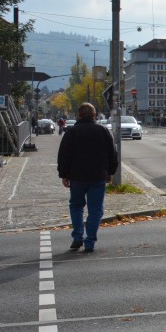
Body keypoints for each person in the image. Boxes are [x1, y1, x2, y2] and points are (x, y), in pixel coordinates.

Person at [57, 102, 119, 253]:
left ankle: (77, 236)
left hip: (77, 177)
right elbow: (113, 155)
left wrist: (64, 174)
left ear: (79, 115)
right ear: (94, 115)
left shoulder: (71, 133)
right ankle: (90, 241)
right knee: (96, 210)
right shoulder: (103, 131)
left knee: (76, 206)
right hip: (98, 176)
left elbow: (64, 156)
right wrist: (110, 173)